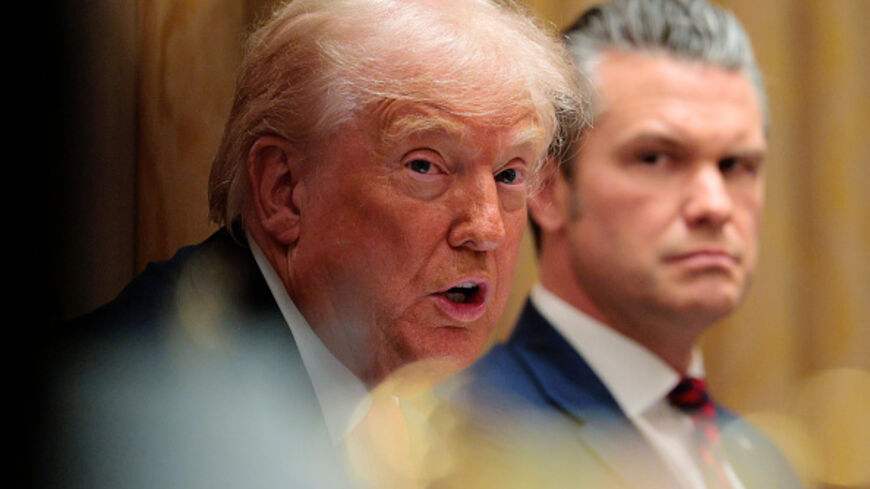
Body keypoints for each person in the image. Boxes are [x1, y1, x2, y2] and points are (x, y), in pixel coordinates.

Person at [37, 1, 585, 488]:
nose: (487, 228)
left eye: (510, 175)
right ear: (284, 192)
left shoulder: (413, 400)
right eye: (426, 166)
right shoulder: (146, 416)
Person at [438, 0, 803, 488]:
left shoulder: (764, 459)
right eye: (655, 158)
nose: (715, 205)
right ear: (545, 189)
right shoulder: (466, 437)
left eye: (736, 165)